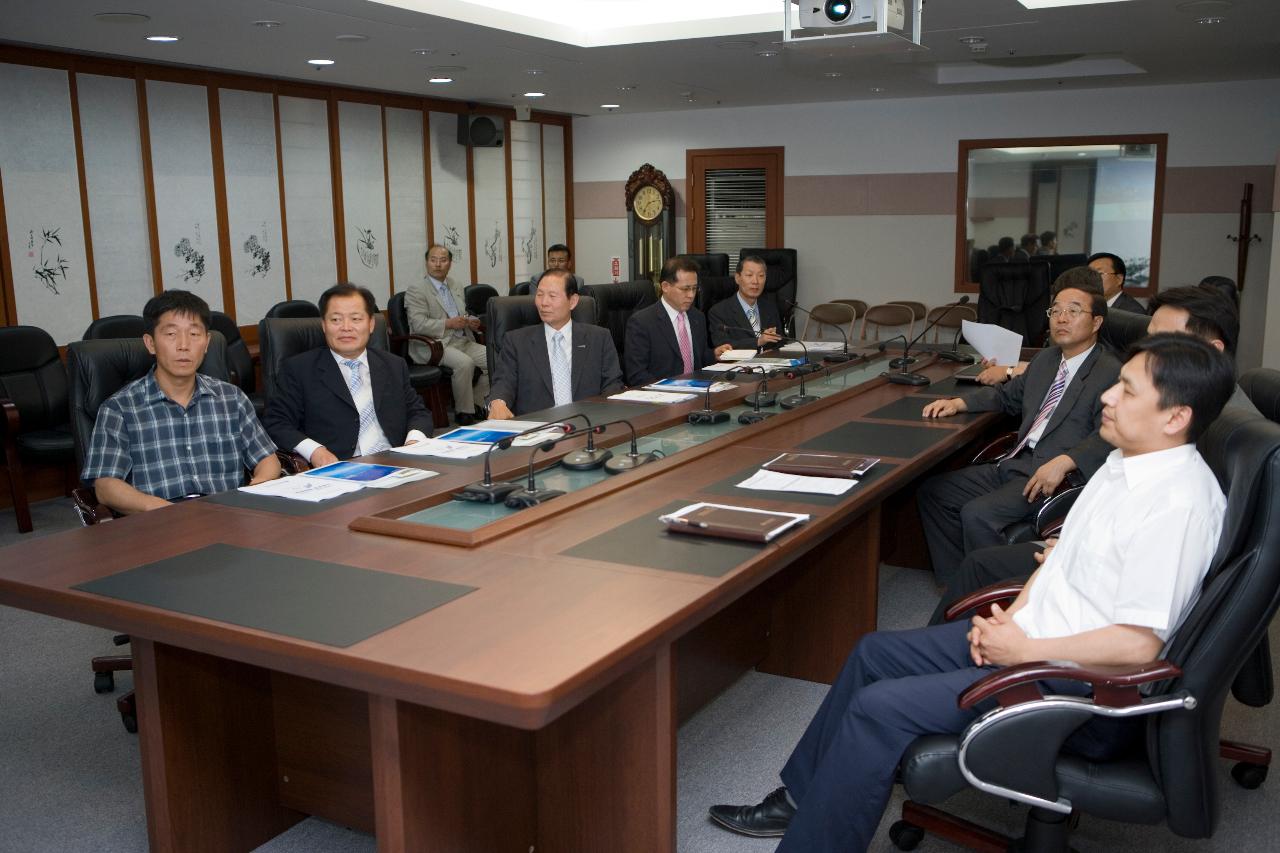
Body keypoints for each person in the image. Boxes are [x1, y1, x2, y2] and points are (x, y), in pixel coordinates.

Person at [709, 334, 1236, 852]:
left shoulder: (1177, 505)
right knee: (874, 652)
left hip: (1077, 685)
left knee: (879, 708)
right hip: (1034, 639)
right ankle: (806, 798)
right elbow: (1056, 565)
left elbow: (1139, 646)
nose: (1106, 396)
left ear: (1175, 417)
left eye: (1126, 390)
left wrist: (1022, 650)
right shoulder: (1125, 462)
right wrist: (1011, 620)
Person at [928, 282, 1260, 625]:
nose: (1111, 399)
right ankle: (965, 611)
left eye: (1162, 342)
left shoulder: (1205, 456)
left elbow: (1144, 631)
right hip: (1078, 549)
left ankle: (974, 621)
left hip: (1091, 596)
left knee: (977, 522)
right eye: (1147, 339)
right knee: (955, 529)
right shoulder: (1158, 412)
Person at [916, 268, 1119, 583]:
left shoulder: (1110, 372)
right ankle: (958, 584)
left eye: (1074, 311)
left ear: (1097, 322)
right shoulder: (1046, 360)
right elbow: (1006, 396)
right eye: (1056, 311)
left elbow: (1111, 435)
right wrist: (958, 403)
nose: (1062, 319)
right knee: (934, 492)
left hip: (1057, 476)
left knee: (977, 514)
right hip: (1016, 462)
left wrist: (1066, 461)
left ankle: (993, 594)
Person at [81, 290, 280, 514]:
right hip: (157, 523)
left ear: (207, 343)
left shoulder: (231, 398)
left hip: (227, 517)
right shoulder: (119, 409)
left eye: (194, 334)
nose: (184, 345)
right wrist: (166, 512)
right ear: (150, 343)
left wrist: (257, 487)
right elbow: (106, 487)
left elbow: (267, 460)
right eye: (171, 334)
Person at [264, 283, 432, 467]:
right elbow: (277, 423)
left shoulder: (393, 364)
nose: (346, 327)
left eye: (356, 319)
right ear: (323, 325)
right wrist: (315, 451)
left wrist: (414, 442)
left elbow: (418, 412)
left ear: (371, 324)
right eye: (335, 320)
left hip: (397, 463)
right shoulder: (298, 369)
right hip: (340, 469)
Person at [487, 269, 623, 418]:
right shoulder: (516, 341)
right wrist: (498, 402)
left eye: (552, 296)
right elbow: (503, 382)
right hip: (537, 432)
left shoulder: (599, 338)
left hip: (589, 428)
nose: (544, 303)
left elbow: (612, 385)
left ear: (573, 301)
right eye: (539, 295)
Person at [405, 244, 489, 426]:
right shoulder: (417, 290)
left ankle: (477, 403)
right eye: (433, 260)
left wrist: (470, 321)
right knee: (465, 363)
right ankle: (464, 412)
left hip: (461, 339)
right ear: (427, 263)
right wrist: (448, 323)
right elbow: (418, 324)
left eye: (443, 260)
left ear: (449, 263)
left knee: (494, 359)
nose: (437, 264)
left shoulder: (455, 284)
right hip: (435, 345)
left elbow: (461, 312)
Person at [624, 256, 732, 386]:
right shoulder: (642, 322)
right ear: (665, 286)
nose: (691, 295)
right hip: (661, 397)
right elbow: (637, 375)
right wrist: (671, 390)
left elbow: (699, 359)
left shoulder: (697, 317)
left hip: (697, 391)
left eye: (694, 288)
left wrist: (714, 354)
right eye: (685, 289)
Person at [708, 255, 783, 350]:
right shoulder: (719, 312)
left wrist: (772, 352)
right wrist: (758, 341)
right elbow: (723, 346)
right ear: (737, 278)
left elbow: (781, 341)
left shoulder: (770, 308)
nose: (755, 281)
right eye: (749, 275)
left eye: (761, 276)